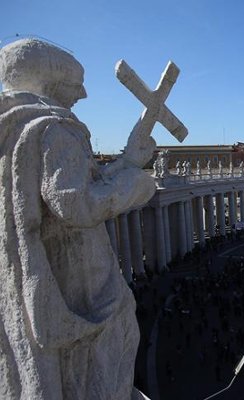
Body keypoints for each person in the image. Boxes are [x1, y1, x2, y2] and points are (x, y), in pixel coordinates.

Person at [0, 38, 156, 399]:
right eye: (75, 85)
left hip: (37, 276)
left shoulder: (11, 127)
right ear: (52, 83)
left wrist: (127, 162)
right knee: (113, 340)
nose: (82, 95)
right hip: (79, 284)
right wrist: (137, 182)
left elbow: (79, 182)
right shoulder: (54, 128)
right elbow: (76, 202)